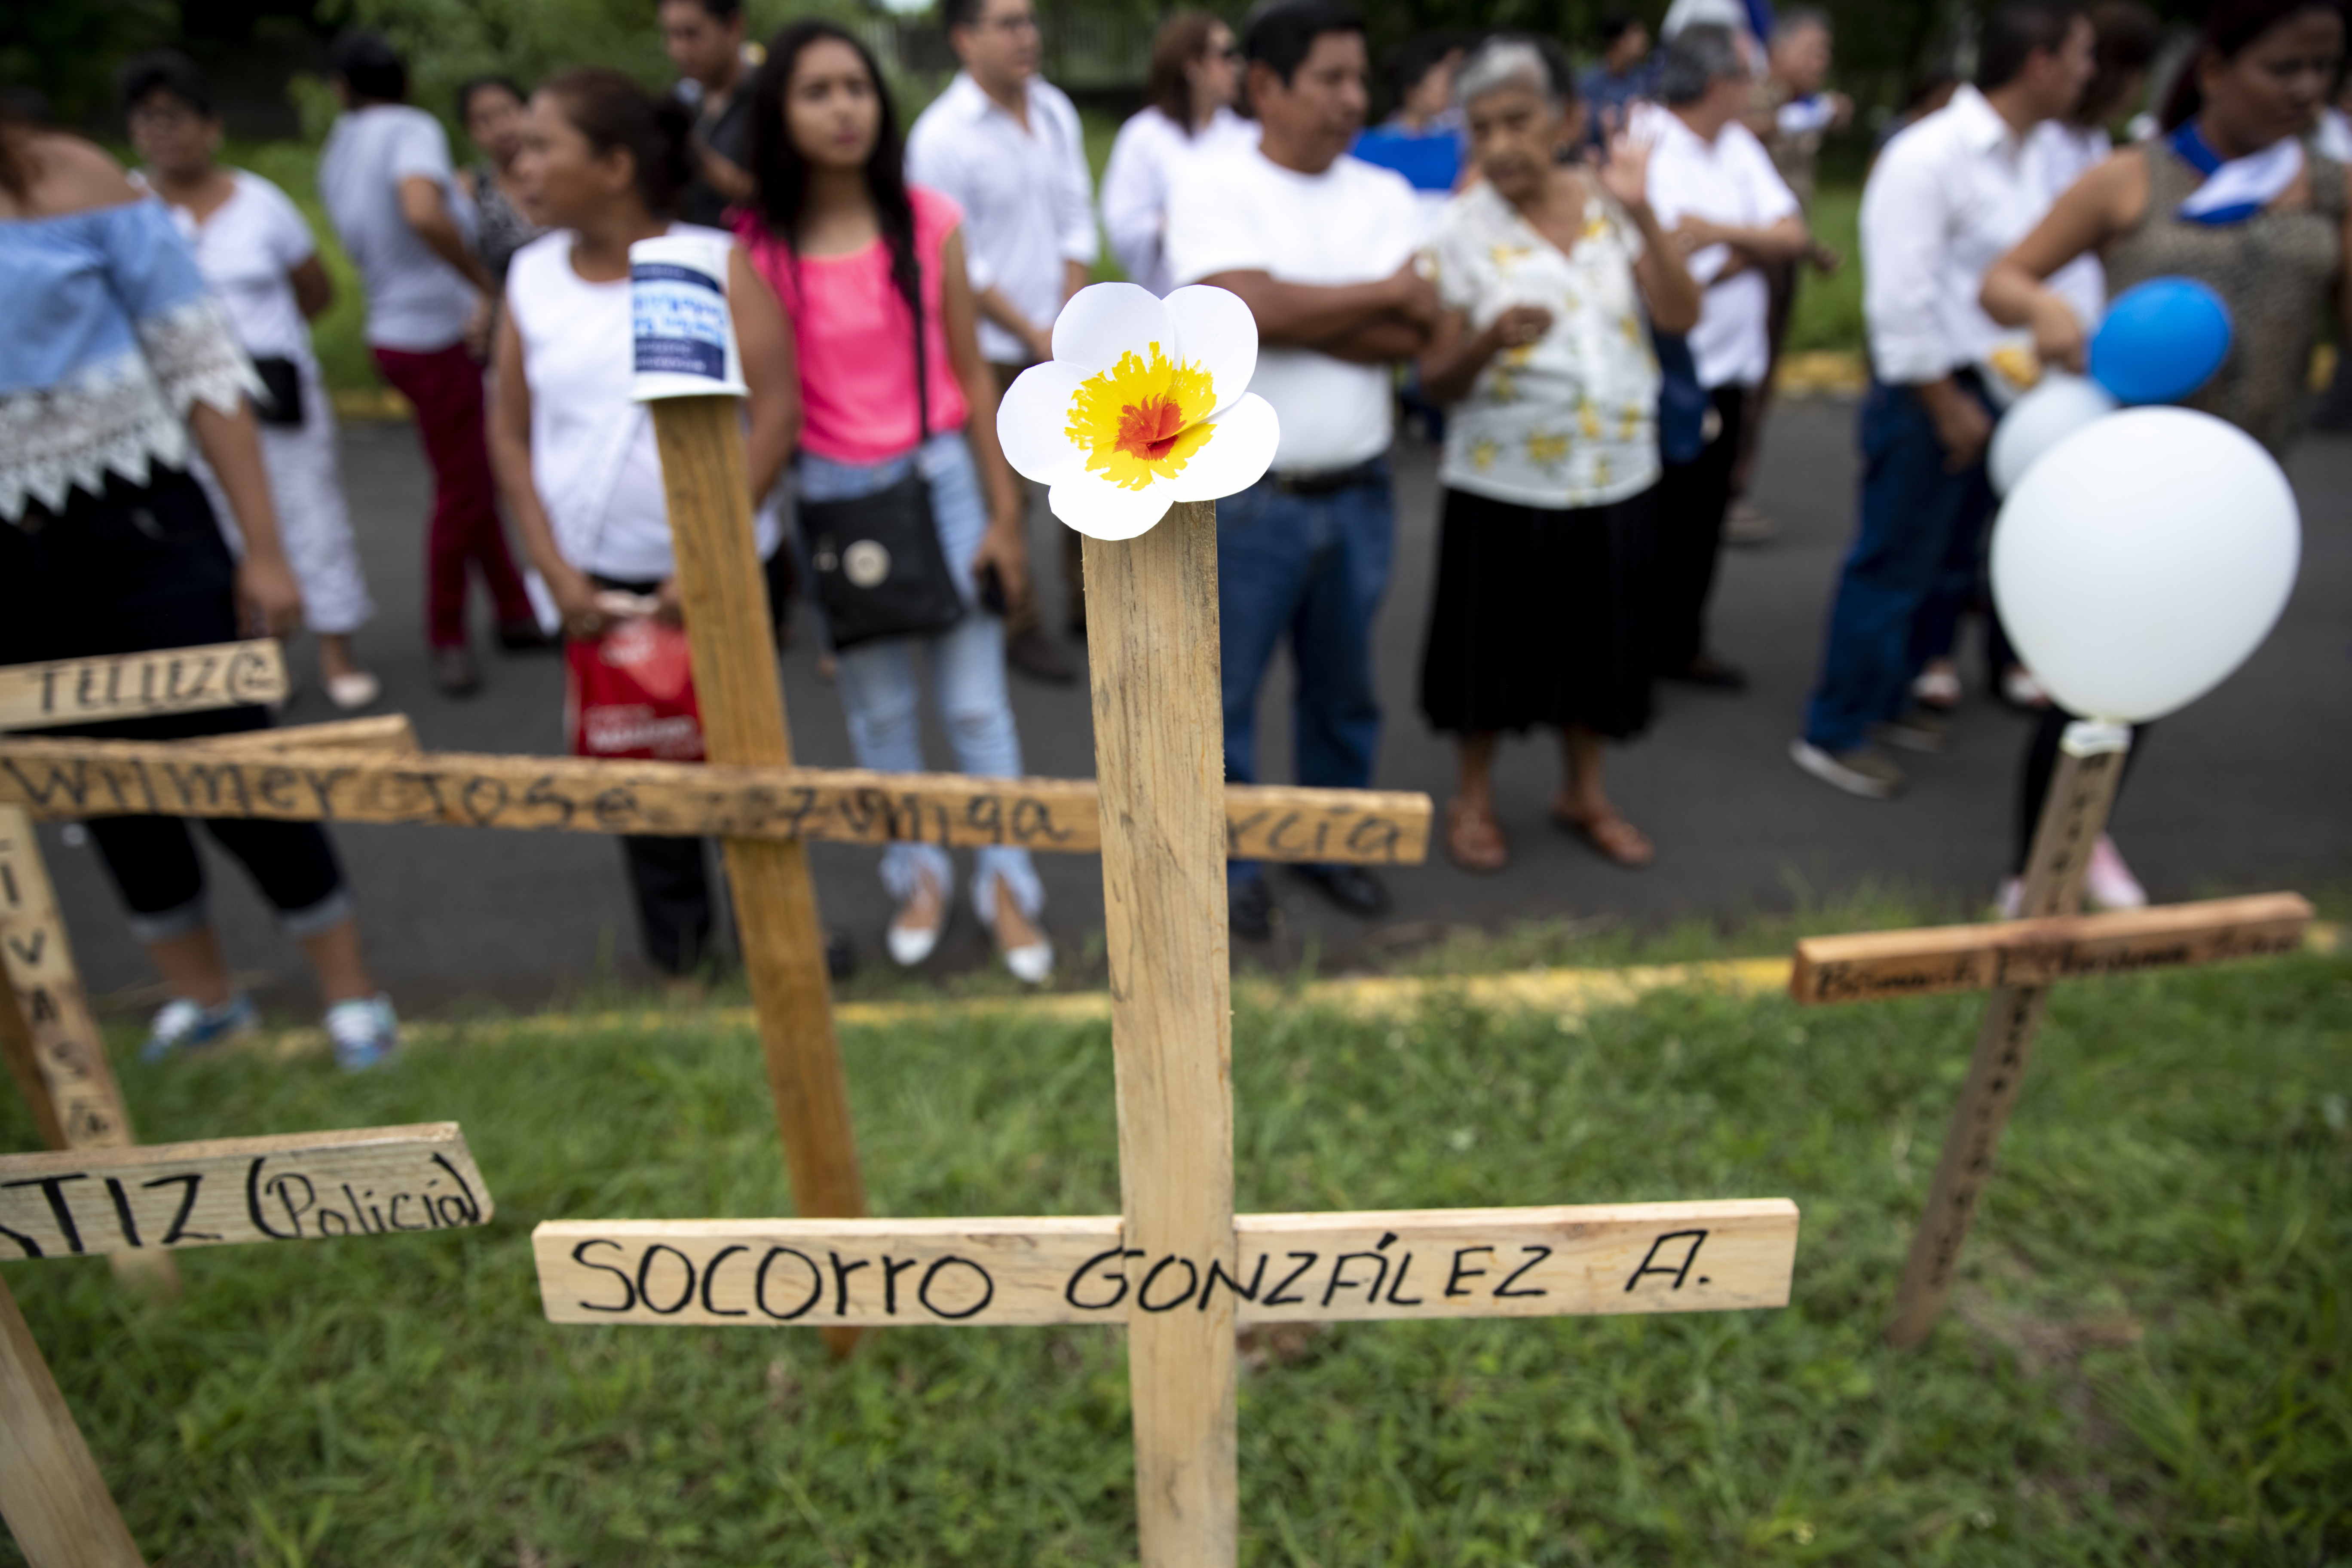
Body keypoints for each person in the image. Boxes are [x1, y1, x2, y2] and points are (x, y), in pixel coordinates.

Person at [0, 113, 398, 1069]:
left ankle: (350, 995)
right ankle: (207, 999)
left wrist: (264, 550)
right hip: (13, 564)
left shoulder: (73, 177)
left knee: (228, 762)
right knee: (92, 782)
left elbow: (203, 366)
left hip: (140, 522)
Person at [1981, 0, 2349, 910]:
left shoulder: (2333, 191)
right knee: (2090, 679)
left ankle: (2083, 831)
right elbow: (2004, 278)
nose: (2306, 90)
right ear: (2217, 69)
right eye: (2283, 67)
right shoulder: (2130, 179)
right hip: (2124, 471)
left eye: (2324, 69)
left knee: (2154, 669)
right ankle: (2039, 867)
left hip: (2237, 482)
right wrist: (2045, 310)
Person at [739, 21, 1055, 983]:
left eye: (857, 88)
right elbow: (775, 410)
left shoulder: (929, 223)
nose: (843, 109)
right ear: (781, 113)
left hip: (942, 481)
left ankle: (1006, 884)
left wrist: (1006, 520)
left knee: (976, 708)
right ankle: (916, 874)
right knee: (879, 718)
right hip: (835, 501)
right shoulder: (759, 250)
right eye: (816, 91)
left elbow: (973, 376)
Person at [488, 69, 797, 979]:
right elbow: (508, 434)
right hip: (595, 588)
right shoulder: (530, 279)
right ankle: (683, 962)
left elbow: (776, 413)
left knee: (741, 764)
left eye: (546, 145)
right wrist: (555, 573)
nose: (523, 163)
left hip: (719, 582)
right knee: (641, 777)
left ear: (616, 165)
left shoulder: (712, 262)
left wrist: (702, 566)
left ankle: (774, 953)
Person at [1165, 0, 1433, 941]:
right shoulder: (1212, 184)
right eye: (1331, 79)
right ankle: (1230, 863)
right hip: (1247, 499)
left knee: (1345, 690)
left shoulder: (1384, 193)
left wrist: (1297, 310)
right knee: (1224, 698)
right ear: (1266, 86)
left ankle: (1332, 842)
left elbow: (1414, 332)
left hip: (1360, 487)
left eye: (1361, 79)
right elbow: (1239, 309)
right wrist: (1374, 298)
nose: (1353, 100)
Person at [1788, 2, 2094, 801]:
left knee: (1946, 563)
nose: (2088, 75)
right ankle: (1838, 726)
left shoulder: (2042, 156)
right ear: (2039, 63)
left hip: (2000, 388)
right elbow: (1900, 299)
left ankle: (1889, 701)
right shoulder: (1930, 156)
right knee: (1891, 558)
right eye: (2079, 56)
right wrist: (1941, 401)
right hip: (1933, 390)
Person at [1417, 39, 1702, 874]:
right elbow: (1433, 382)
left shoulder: (1613, 208)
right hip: (1504, 479)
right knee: (1489, 649)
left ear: (1566, 121)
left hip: (1615, 472)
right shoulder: (1458, 235)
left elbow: (1681, 316)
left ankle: (1585, 792)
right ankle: (1473, 798)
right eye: (1483, 128)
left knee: (1600, 644)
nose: (1502, 144)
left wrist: (1644, 211)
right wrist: (1487, 342)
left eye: (1519, 120)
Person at [122, 51, 380, 714]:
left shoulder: (261, 203)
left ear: (211, 127)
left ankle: (335, 652)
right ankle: (259, 658)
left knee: (310, 516)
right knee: (215, 529)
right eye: (148, 120)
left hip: (274, 395)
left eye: (176, 118)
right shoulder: (125, 208)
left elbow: (314, 290)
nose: (163, 133)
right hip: (177, 404)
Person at [319, 31, 542, 697]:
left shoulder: (339, 144)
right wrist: (479, 281)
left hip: (392, 327)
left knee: (468, 475)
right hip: (433, 334)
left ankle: (515, 611)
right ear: (405, 83)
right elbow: (422, 209)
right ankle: (445, 633)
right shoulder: (410, 128)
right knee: (465, 491)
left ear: (341, 89)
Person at [906, 0, 1096, 683]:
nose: (1026, 37)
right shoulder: (940, 137)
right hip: (992, 339)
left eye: (1030, 21)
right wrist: (1030, 328)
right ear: (964, 38)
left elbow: (1076, 215)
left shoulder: (1054, 111)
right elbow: (958, 257)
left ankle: (1092, 601)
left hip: (1063, 330)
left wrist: (1071, 310)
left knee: (1090, 470)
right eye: (1007, 24)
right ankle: (1020, 620)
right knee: (1006, 489)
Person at [1639, 24, 1811, 693]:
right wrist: (1746, 250)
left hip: (1733, 364)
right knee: (1657, 515)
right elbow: (1661, 259)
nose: (1757, 92)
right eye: (1748, 79)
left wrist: (1718, 236)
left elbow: (1791, 233)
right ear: (1718, 85)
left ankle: (1682, 642)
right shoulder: (1648, 142)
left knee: (1705, 513)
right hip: (1673, 367)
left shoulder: (1737, 145)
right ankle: (1633, 649)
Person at [1724, 7, 1851, 548]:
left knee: (1765, 378)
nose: (1820, 64)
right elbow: (1739, 137)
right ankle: (1725, 492)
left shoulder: (1805, 108)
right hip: (1743, 261)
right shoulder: (1752, 97)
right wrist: (1803, 118)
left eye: (1825, 54)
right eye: (1811, 52)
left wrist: (1810, 248)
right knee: (1742, 379)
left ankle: (1737, 486)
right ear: (1777, 54)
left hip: (1784, 255)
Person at [1099, 11, 1255, 297]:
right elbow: (1123, 229)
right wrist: (1178, 221)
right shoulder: (1144, 137)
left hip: (1241, 302)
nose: (1237, 65)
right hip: (1168, 300)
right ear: (1193, 65)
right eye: (1226, 54)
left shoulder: (1248, 136)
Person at [1351, 34, 1467, 229]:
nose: (1449, 91)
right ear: (1413, 91)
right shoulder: (1366, 147)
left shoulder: (1459, 140)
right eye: (1440, 84)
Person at [661, 0, 756, 228]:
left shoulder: (770, 100)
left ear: (734, 26)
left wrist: (694, 155)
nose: (679, 50)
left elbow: (782, 200)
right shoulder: (682, 100)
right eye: (672, 35)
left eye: (691, 34)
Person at [456, 75, 545, 293]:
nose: (502, 128)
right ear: (471, 132)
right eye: (484, 120)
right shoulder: (469, 189)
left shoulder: (565, 173)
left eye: (507, 111)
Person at [1580, 12, 1658, 147]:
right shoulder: (1588, 84)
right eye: (1636, 32)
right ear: (1620, 41)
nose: (1644, 39)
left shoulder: (1646, 80)